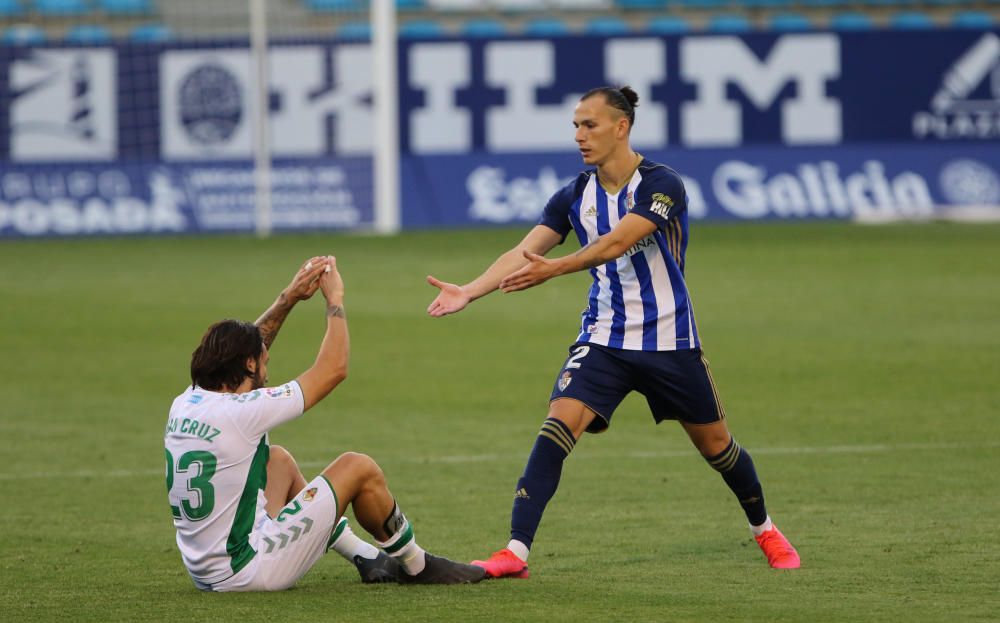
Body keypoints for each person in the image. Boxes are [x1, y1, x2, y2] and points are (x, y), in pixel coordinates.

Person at [426, 86, 800, 578]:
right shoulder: (574, 194)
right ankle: (515, 551)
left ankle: (765, 529)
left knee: (717, 447)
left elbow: (618, 241)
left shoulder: (662, 184)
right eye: (576, 126)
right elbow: (524, 251)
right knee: (558, 425)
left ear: (621, 127)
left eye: (590, 125)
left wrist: (554, 269)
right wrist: (471, 291)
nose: (580, 136)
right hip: (604, 339)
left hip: (670, 341)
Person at [166, 256, 485, 591]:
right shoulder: (244, 412)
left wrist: (286, 299)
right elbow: (333, 370)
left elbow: (250, 347)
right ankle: (416, 564)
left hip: (207, 570)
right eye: (263, 362)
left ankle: (364, 555)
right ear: (248, 364)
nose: (267, 368)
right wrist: (335, 302)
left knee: (277, 461)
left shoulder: (187, 401)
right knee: (357, 467)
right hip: (249, 571)